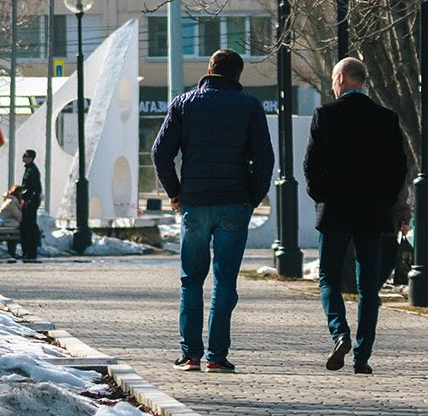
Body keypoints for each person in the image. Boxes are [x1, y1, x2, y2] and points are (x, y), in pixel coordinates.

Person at [152, 49, 274, 373]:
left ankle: (190, 354)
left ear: (209, 69)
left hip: (194, 203)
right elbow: (265, 160)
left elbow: (160, 153)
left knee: (191, 279)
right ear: (238, 76)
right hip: (234, 203)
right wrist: (252, 197)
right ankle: (217, 357)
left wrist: (175, 193)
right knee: (224, 280)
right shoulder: (250, 107)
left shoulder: (184, 104)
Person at [304, 57, 411, 376]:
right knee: (368, 287)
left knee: (329, 279)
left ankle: (340, 334)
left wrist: (322, 197)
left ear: (340, 79)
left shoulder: (325, 114)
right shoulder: (386, 119)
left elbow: (311, 166)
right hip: (373, 213)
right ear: (362, 81)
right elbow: (399, 169)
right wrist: (387, 202)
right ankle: (362, 356)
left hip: (334, 212)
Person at [18, 149, 43, 260]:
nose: (24, 158)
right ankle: (27, 251)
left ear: (31, 158)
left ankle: (30, 252)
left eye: (26, 156)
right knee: (26, 227)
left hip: (30, 202)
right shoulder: (29, 169)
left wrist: (31, 201)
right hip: (27, 201)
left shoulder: (32, 170)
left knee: (29, 227)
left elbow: (35, 187)